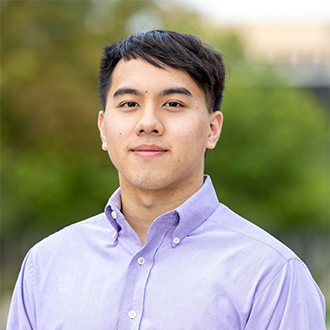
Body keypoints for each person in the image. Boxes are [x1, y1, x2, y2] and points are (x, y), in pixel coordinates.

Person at [7, 30, 326, 330]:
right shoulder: (45, 266)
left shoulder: (271, 275)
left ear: (212, 129)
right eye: (129, 104)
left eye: (173, 104)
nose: (148, 123)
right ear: (103, 128)